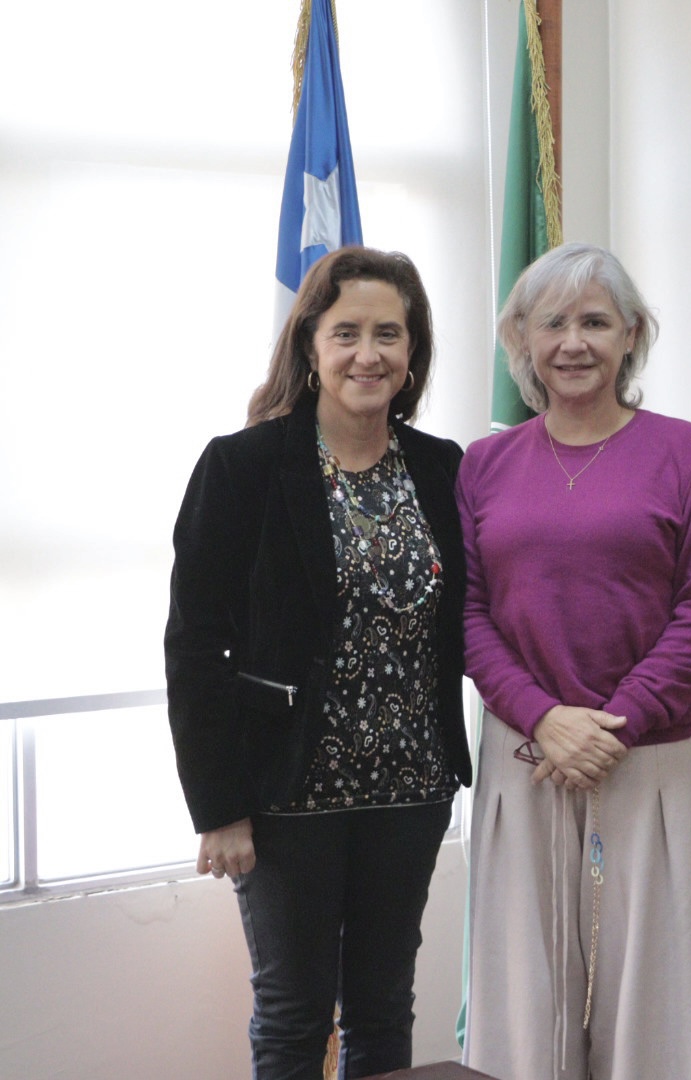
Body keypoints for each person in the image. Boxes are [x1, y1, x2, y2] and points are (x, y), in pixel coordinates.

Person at [165, 246, 474, 1079]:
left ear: (412, 356)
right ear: (310, 345)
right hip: (285, 795)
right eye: (346, 333)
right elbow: (194, 644)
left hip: (411, 792)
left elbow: (474, 615)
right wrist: (217, 807)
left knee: (382, 1011)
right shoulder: (244, 466)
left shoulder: (445, 468)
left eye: (388, 335)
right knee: (295, 1016)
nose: (367, 354)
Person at [457, 242, 691, 1080]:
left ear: (633, 336)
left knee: (651, 992)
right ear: (523, 340)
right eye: (554, 323)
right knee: (522, 997)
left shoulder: (687, 452)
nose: (574, 342)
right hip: (523, 755)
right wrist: (544, 716)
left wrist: (613, 723)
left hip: (639, 755)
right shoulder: (484, 463)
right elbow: (465, 615)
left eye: (596, 322)